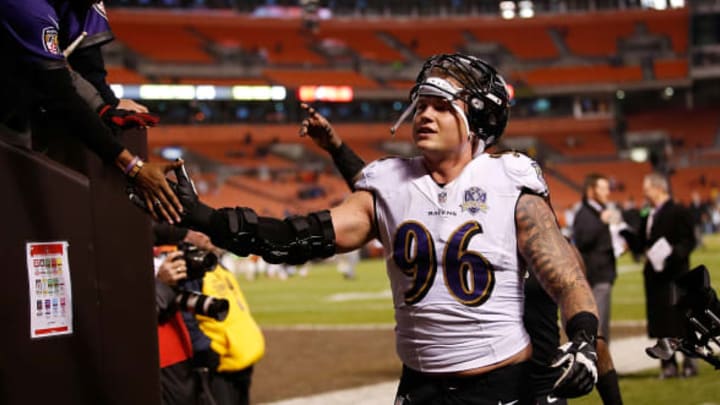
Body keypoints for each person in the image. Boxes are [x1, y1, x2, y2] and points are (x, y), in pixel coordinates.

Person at [168, 54, 600, 404]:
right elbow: (293, 237)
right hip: (420, 388)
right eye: (421, 105)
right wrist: (201, 216)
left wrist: (583, 338)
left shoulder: (510, 179)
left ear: (477, 121)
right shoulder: (389, 183)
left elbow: (564, 275)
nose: (424, 115)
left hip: (501, 386)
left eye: (441, 106)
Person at [298, 103, 622, 404]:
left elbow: (596, 340)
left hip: (534, 390)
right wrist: (337, 149)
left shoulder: (556, 251)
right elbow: (384, 197)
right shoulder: (478, 230)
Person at [0, 0, 183, 224]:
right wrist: (132, 166)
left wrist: (109, 106)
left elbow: (88, 64)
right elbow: (58, 92)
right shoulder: (26, 6)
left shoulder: (85, 2)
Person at [626, 173, 698, 378]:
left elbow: (689, 240)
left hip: (675, 274)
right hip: (654, 276)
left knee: (681, 319)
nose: (644, 192)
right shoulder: (647, 213)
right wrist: (625, 234)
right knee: (661, 322)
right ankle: (669, 364)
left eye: (647, 188)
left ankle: (689, 362)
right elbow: (641, 242)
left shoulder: (678, 210)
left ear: (659, 188)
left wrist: (672, 253)